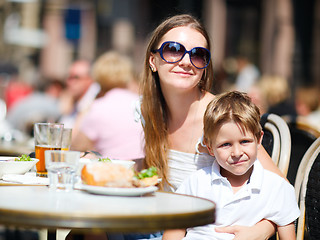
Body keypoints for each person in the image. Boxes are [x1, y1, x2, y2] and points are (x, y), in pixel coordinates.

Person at [138, 13, 284, 239]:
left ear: (205, 67)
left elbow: (281, 190)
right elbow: (151, 171)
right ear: (152, 60)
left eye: (198, 54)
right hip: (159, 223)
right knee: (87, 230)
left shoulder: (220, 117)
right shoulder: (147, 111)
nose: (185, 61)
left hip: (204, 232)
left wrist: (260, 230)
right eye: (173, 49)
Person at [163, 91, 300, 240]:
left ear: (259, 139)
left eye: (244, 141)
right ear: (210, 148)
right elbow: (173, 233)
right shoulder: (196, 183)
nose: (236, 152)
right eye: (226, 144)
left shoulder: (277, 188)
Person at [70, 51, 144, 160]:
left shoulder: (97, 107)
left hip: (112, 171)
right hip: (144, 170)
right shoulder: (140, 103)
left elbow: (76, 147)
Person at [59, 59, 101, 137]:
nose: (70, 82)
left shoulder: (96, 101)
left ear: (90, 79)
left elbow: (72, 138)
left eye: (76, 77)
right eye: (69, 77)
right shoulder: (72, 99)